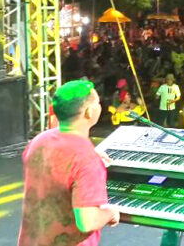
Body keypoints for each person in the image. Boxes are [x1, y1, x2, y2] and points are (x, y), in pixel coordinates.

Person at [18, 80, 120, 246]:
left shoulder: (39, 141)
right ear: (88, 112)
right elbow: (87, 222)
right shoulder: (86, 159)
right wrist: (111, 213)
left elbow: (58, 159)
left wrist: (87, 153)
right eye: (97, 103)